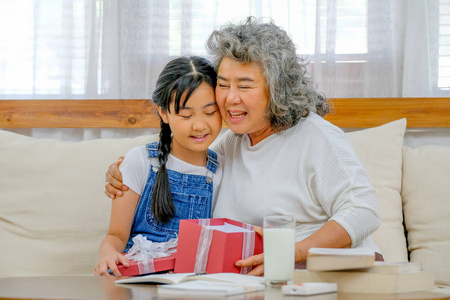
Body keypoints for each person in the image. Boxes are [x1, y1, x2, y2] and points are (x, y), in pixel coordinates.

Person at [104, 17, 382, 276]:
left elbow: (363, 211)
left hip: (323, 277)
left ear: (277, 88)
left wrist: (291, 252)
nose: (230, 98)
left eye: (245, 86)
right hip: (253, 282)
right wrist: (124, 173)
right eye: (223, 84)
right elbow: (177, 162)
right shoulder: (228, 146)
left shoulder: (317, 137)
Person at [95, 56, 224, 276]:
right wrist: (107, 253)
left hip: (194, 285)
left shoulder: (223, 169)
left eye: (210, 112)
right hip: (137, 281)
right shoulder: (140, 162)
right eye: (186, 115)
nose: (200, 125)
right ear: (164, 113)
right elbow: (116, 236)